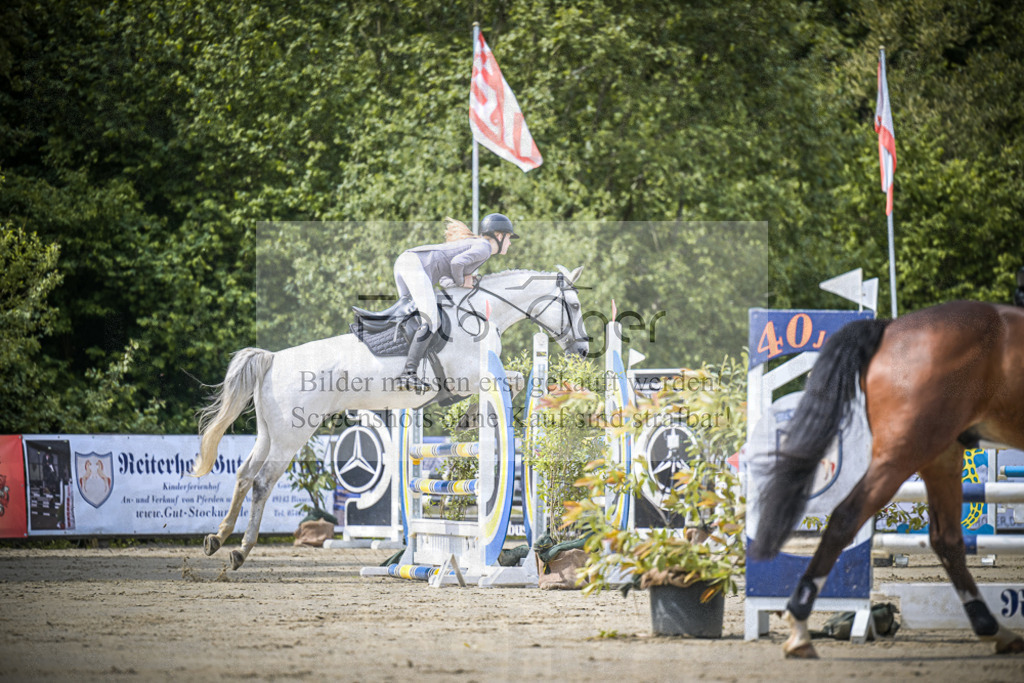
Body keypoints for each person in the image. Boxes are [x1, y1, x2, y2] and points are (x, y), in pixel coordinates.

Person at [393, 213, 518, 392]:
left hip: (407, 262)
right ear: (499, 236)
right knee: (432, 321)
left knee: (411, 317)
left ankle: (398, 365)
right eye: (509, 238)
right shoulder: (484, 248)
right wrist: (461, 282)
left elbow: (445, 279)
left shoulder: (478, 247)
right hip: (414, 265)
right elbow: (457, 263)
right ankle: (408, 374)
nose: (510, 243)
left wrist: (460, 282)